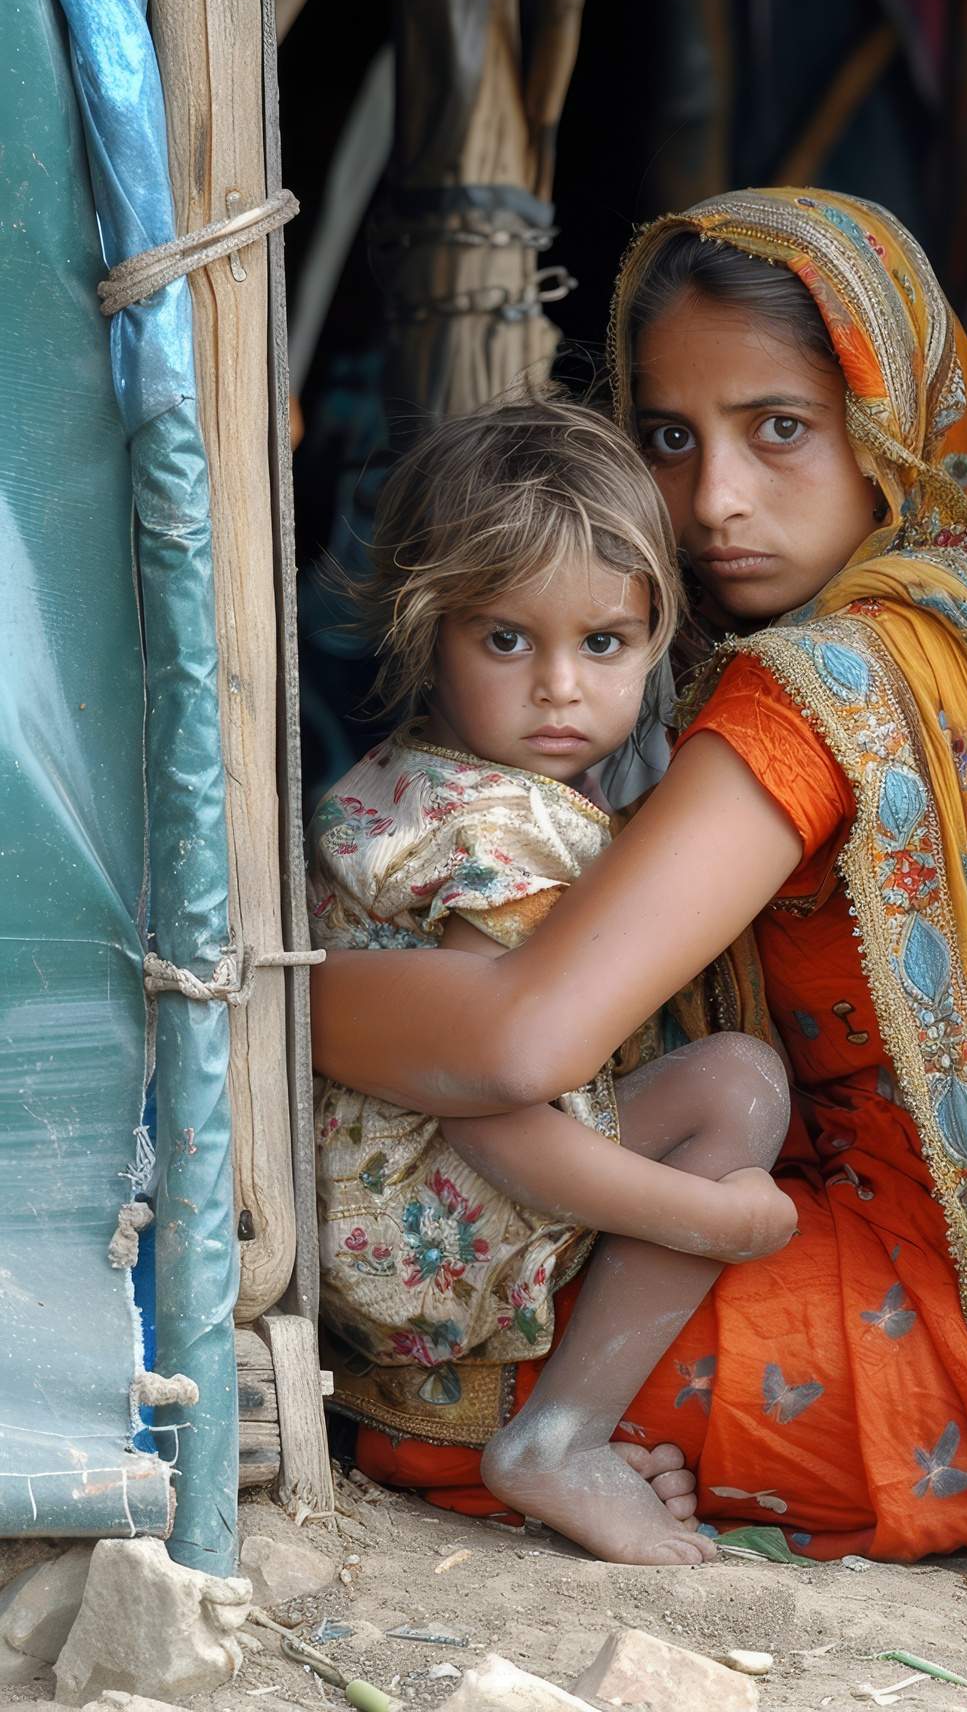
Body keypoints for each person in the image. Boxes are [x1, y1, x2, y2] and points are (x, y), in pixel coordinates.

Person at [312, 189, 967, 1596]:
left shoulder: (816, 687)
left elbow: (522, 1040)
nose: (714, 499)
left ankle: (562, 1442)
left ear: (883, 420)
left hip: (949, 1356)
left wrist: (268, 982)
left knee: (418, 1385)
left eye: (779, 427)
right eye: (669, 437)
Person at [309, 399, 796, 1566]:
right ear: (427, 633)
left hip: (364, 1216)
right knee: (736, 1086)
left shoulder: (408, 780)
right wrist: (707, 1217)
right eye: (507, 640)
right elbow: (490, 1111)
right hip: (422, 1227)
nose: (560, 688)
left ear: (655, 635)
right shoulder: (495, 828)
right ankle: (557, 1438)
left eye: (604, 643)